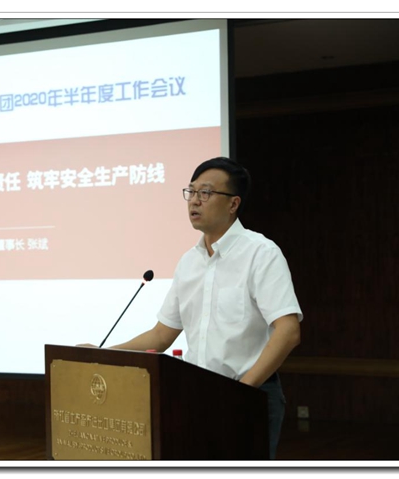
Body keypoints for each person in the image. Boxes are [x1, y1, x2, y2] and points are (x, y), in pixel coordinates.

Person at [79, 157, 303, 460]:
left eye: (206, 193)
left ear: (233, 203)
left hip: (250, 394)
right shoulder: (189, 262)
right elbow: (162, 335)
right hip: (196, 397)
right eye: (191, 191)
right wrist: (103, 355)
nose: (194, 200)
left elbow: (288, 331)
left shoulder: (261, 254)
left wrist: (242, 391)